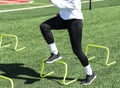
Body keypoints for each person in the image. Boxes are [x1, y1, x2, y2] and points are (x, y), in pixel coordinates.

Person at [40, 0, 96, 85]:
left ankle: (90, 74)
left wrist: (53, 1)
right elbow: (63, 3)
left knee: (77, 50)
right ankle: (55, 53)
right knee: (44, 26)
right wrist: (61, 13)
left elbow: (69, 5)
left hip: (75, 21)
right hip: (63, 18)